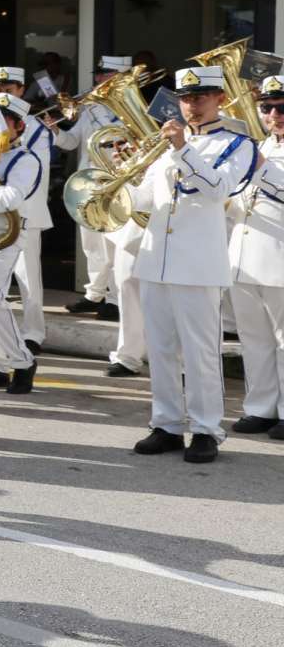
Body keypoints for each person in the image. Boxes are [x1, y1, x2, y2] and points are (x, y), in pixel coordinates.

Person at [128, 65, 255, 463]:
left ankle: (206, 428)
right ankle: (165, 423)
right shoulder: (163, 144)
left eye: (200, 97)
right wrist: (122, 179)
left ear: (220, 98)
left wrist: (182, 149)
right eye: (185, 98)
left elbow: (219, 190)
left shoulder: (238, 144)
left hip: (198, 263)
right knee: (161, 348)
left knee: (200, 350)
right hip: (155, 260)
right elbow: (145, 201)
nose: (191, 105)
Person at [52, 56, 133, 322]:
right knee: (91, 244)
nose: (99, 79)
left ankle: (115, 299)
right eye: (99, 74)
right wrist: (53, 131)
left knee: (115, 243)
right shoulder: (89, 108)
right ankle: (94, 294)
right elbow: (71, 142)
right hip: (89, 181)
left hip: (118, 181)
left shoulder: (133, 107)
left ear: (121, 77)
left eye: (105, 74)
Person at [0, 94, 42, 395]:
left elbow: (12, 196)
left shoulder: (25, 159)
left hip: (8, 235)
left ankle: (23, 360)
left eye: (3, 122)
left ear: (19, 126)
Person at [228, 75, 284, 439]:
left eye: (282, 108)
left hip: (280, 258)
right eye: (267, 108)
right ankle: (260, 407)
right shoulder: (260, 145)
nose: (273, 114)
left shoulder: (259, 153)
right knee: (254, 337)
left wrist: (258, 165)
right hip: (245, 255)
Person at [0, 66, 53, 351]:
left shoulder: (36, 128)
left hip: (25, 211)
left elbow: (34, 171)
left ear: (21, 88)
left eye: (9, 87)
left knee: (27, 278)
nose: (2, 91)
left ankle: (32, 333)